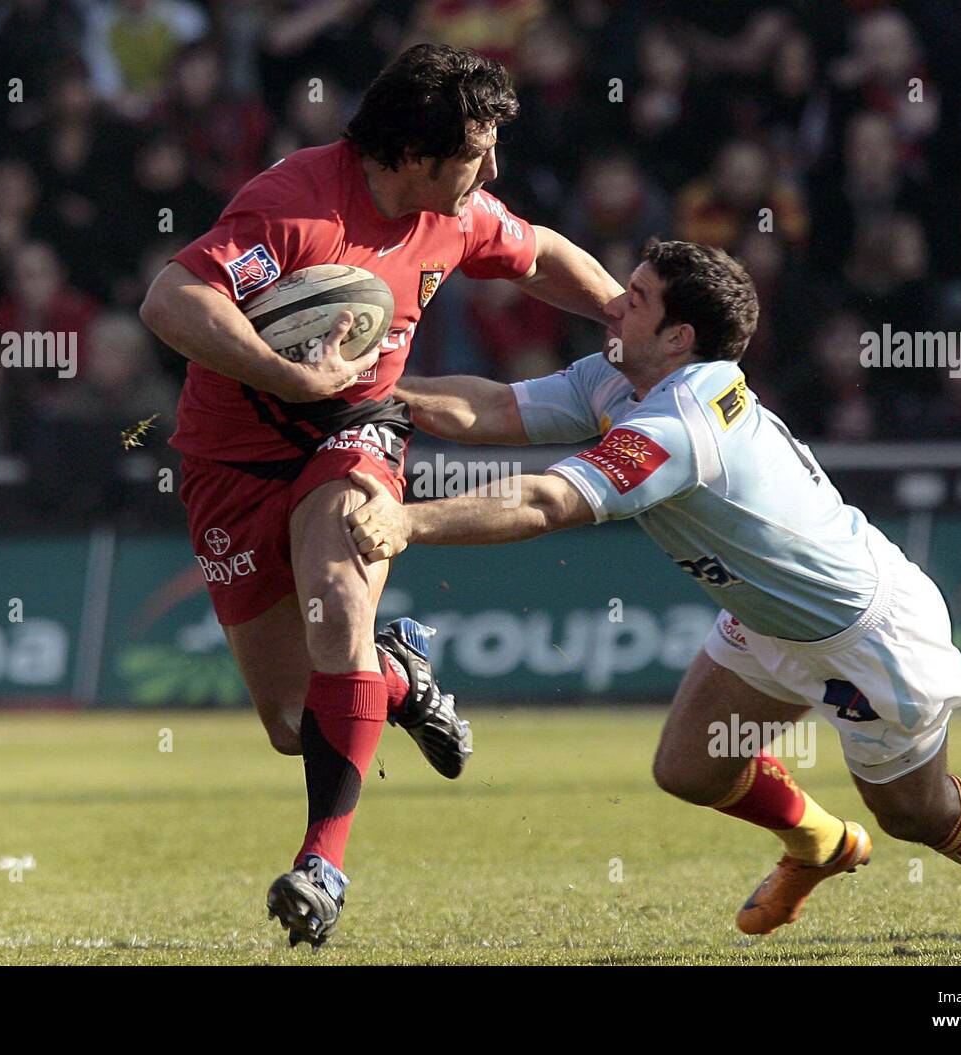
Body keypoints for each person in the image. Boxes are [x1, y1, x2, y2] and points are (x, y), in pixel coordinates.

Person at [345, 240, 961, 953]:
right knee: (691, 768)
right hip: (769, 619)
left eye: (634, 299)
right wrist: (366, 390)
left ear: (678, 335)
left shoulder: (681, 422)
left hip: (863, 636)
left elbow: (546, 500)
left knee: (915, 813)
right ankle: (819, 843)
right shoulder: (618, 374)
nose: (612, 306)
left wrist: (406, 519)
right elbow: (497, 409)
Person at [139, 43, 622, 948]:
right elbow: (170, 300)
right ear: (414, 156)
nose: (492, 168)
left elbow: (541, 255)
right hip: (232, 462)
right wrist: (282, 372)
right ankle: (398, 671)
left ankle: (322, 864)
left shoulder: (460, 211)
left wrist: (622, 320)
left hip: (354, 431)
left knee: (334, 609)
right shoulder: (296, 206)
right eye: (478, 150)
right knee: (295, 723)